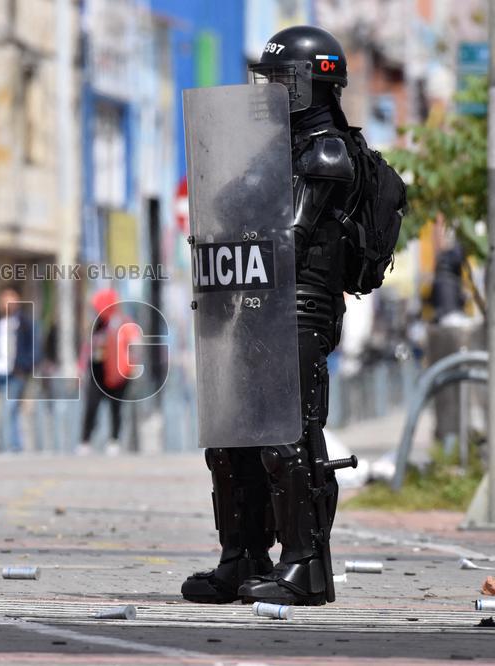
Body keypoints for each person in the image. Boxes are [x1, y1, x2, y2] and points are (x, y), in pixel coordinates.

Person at [182, 26, 364, 606]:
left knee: (287, 441)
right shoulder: (273, 152)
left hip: (300, 310)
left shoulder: (326, 153)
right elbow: (228, 206)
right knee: (230, 439)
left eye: (283, 81)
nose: (273, 93)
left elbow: (289, 235)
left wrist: (240, 228)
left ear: (312, 83)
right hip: (254, 303)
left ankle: (305, 565)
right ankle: (242, 556)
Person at [78, 288, 137, 456]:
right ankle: (85, 440)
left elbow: (133, 345)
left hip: (118, 372)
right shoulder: (95, 325)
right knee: (91, 406)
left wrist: (131, 367)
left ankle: (114, 439)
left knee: (115, 408)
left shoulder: (123, 322)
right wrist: (81, 369)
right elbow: (86, 348)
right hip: (97, 370)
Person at [0, 285, 36, 453]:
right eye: (4, 298)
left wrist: (25, 367)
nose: (8, 302)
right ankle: (10, 444)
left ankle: (10, 446)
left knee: (9, 407)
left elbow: (34, 347)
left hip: (16, 373)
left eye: (11, 298)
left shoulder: (25, 322)